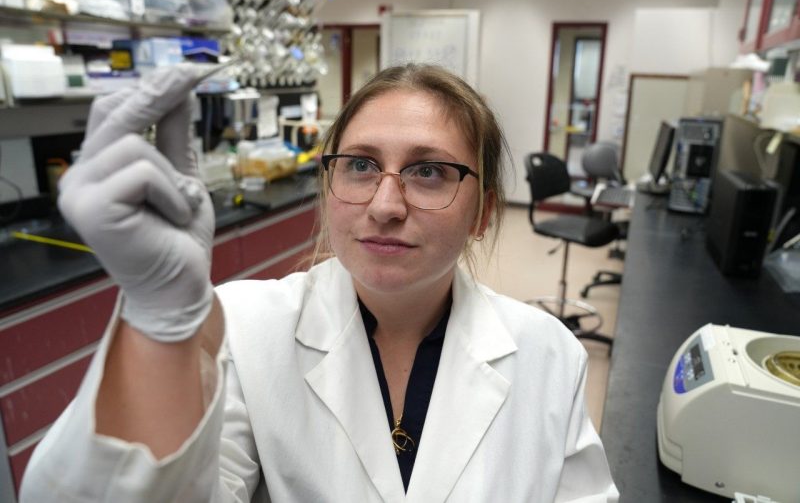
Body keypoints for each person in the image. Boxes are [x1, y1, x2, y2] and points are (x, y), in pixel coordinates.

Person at [20, 63, 619, 502]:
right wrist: (160, 323)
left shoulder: (549, 356)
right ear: (329, 187)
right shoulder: (246, 329)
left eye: (429, 171)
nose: (385, 204)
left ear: (483, 212)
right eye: (360, 165)